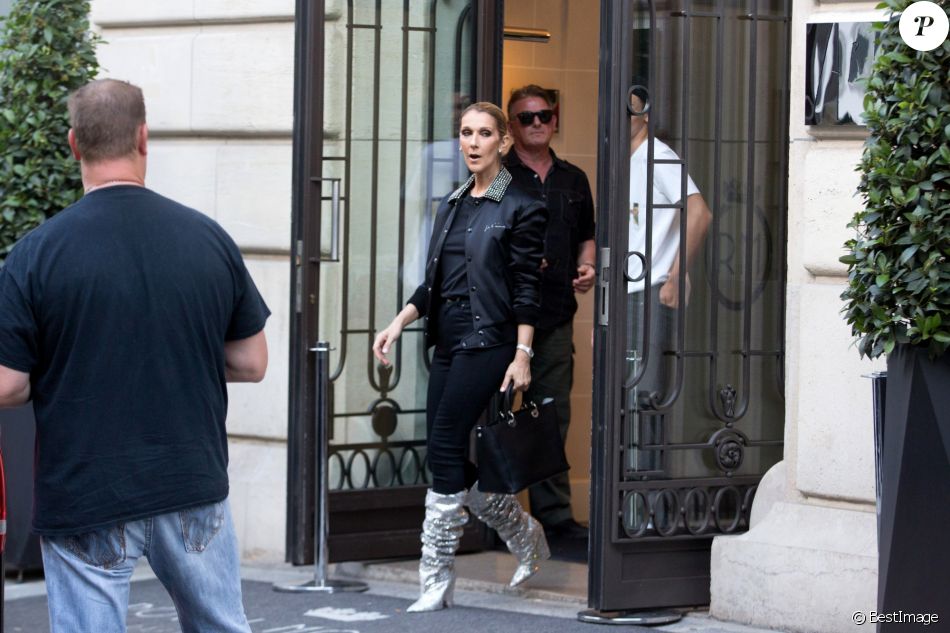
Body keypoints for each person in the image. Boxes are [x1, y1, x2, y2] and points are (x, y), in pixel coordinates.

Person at [0, 79, 270, 632]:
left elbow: (7, 384)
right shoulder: (207, 238)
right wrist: (177, 350)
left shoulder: (35, 254)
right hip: (191, 481)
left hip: (85, 488)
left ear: (74, 145)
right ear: (144, 138)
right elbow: (251, 362)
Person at [373, 102, 549, 612]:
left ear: (504, 142)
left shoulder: (519, 204)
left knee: (446, 442)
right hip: (448, 343)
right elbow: (434, 284)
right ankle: (524, 533)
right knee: (444, 452)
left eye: (485, 134)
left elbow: (525, 288)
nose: (473, 142)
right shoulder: (451, 203)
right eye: (466, 133)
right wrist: (397, 323)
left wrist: (522, 353)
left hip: (490, 342)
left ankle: (435, 576)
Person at [504, 85, 596, 541]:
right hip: (503, 318)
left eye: (544, 115)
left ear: (555, 120)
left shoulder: (573, 179)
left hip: (556, 314)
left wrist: (589, 265)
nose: (537, 123)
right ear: (512, 125)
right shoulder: (499, 176)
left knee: (550, 413)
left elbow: (587, 235)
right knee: (495, 414)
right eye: (526, 117)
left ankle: (553, 514)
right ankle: (496, 513)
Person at [625, 87, 712, 471]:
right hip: (630, 293)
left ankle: (645, 501)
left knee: (645, 400)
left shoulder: (657, 155)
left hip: (650, 293)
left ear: (645, 115)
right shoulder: (627, 158)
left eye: (631, 110)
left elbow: (700, 213)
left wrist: (677, 275)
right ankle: (631, 503)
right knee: (629, 402)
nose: (623, 117)